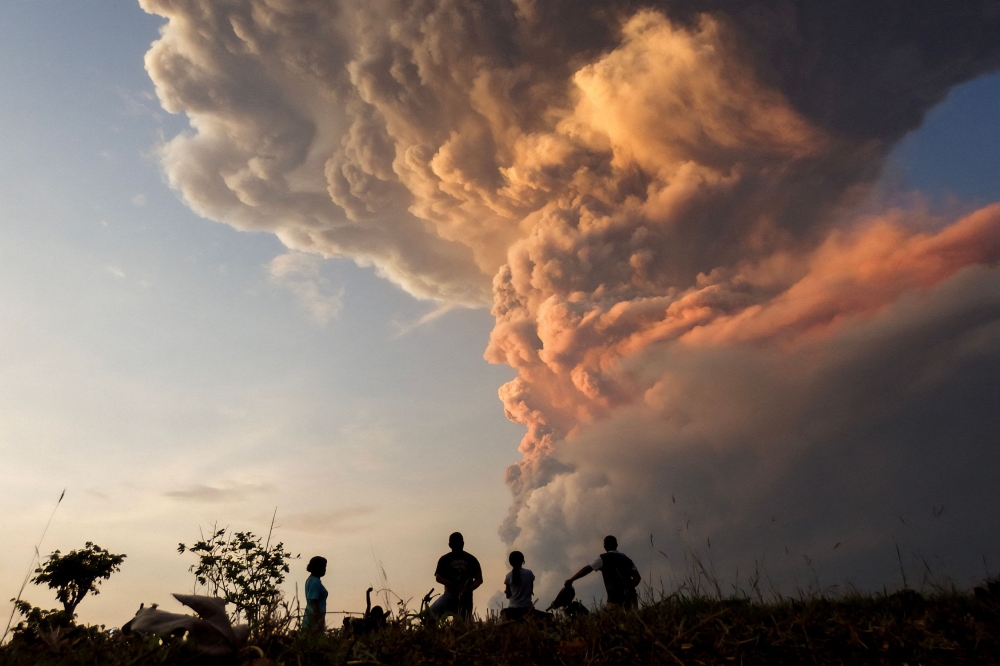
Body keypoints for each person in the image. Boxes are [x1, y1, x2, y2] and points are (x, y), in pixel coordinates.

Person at [564, 535, 641, 609]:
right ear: (616, 545)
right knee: (634, 620)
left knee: (611, 620)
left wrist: (571, 579)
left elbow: (587, 569)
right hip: (631, 598)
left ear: (605, 546)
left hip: (614, 600)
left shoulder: (603, 558)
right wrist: (629, 587)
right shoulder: (626, 559)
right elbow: (637, 577)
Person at [430, 532, 482, 621]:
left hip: (458, 597)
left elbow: (438, 577)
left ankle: (433, 633)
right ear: (463, 543)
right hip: (455, 597)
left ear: (449, 545)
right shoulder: (471, 559)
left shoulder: (445, 559)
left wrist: (465, 589)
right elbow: (479, 580)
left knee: (430, 615)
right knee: (464, 626)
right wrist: (461, 588)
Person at [502, 550, 549, 621]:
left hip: (512, 610)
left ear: (510, 562)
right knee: (549, 616)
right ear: (522, 561)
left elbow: (508, 596)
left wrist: (507, 591)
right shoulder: (529, 573)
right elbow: (531, 591)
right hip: (527, 608)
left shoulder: (508, 576)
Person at [302, 556, 329, 630]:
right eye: (323, 567)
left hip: (309, 616)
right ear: (318, 567)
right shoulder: (316, 581)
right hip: (314, 619)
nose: (324, 570)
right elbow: (313, 602)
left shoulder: (310, 580)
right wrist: (319, 619)